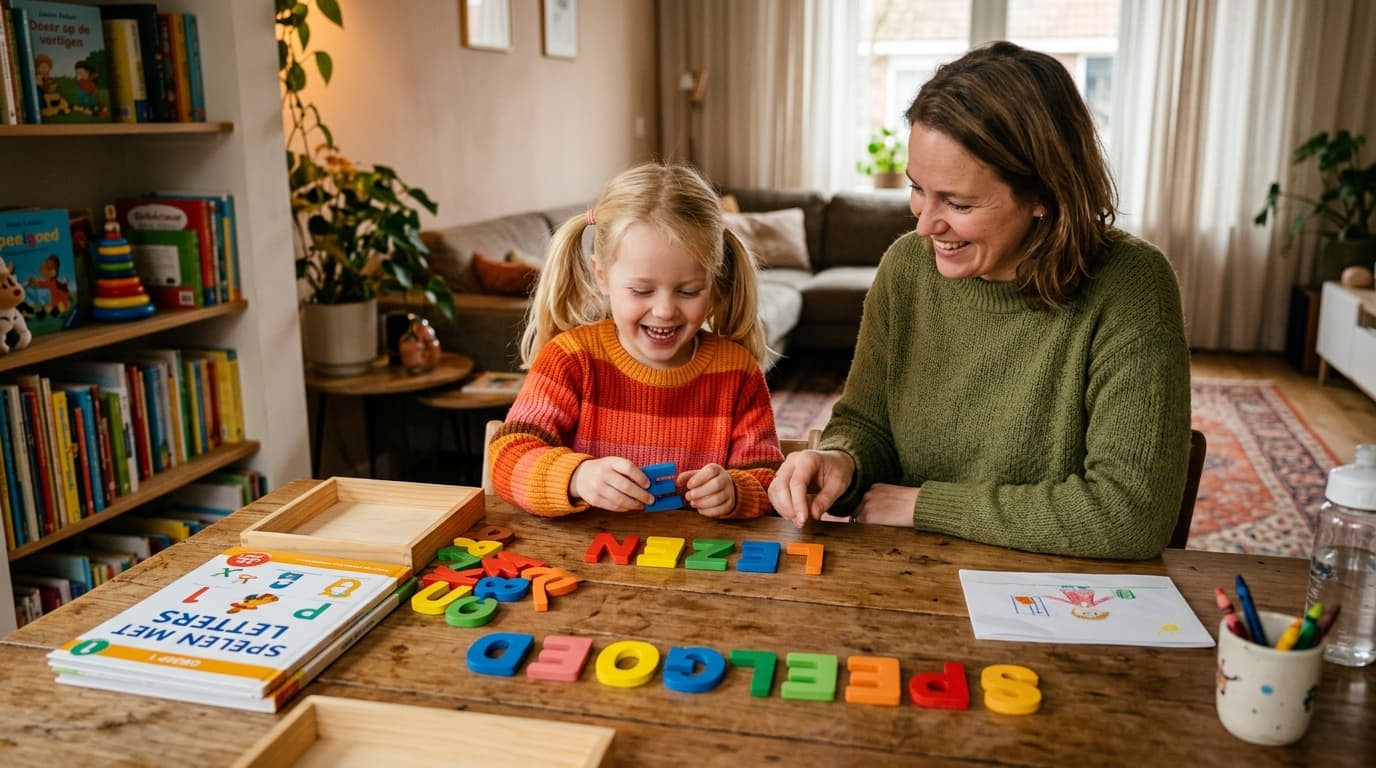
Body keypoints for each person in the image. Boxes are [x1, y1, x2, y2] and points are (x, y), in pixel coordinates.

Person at [768, 41, 1191, 560]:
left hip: (1052, 585)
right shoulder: (906, 267)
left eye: (959, 203)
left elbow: (1129, 515)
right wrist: (841, 461)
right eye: (917, 189)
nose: (925, 225)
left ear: (1044, 195)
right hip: (907, 573)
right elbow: (867, 424)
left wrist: (925, 505)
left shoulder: (1132, 285)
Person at [489, 162, 783, 519]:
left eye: (688, 291)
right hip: (585, 550)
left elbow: (768, 480)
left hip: (695, 554)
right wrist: (577, 477)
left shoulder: (737, 373)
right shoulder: (571, 359)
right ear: (601, 276)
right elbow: (508, 457)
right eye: (641, 290)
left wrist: (737, 492)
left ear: (714, 282)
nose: (664, 311)